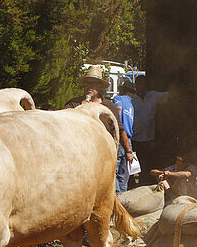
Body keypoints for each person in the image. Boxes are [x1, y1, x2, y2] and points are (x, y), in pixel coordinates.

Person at [65, 66, 135, 194]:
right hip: (81, 155)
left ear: (100, 87)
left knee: (110, 186)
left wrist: (128, 151)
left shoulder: (109, 106)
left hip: (105, 155)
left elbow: (120, 129)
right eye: (87, 83)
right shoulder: (74, 104)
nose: (90, 86)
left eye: (94, 83)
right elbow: (63, 123)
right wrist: (80, 109)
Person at [131, 76, 167, 175]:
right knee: (133, 165)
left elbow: (170, 96)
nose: (142, 87)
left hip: (149, 139)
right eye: (139, 84)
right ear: (136, 86)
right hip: (135, 138)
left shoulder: (153, 96)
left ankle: (146, 182)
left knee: (148, 164)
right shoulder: (131, 99)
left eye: (144, 84)